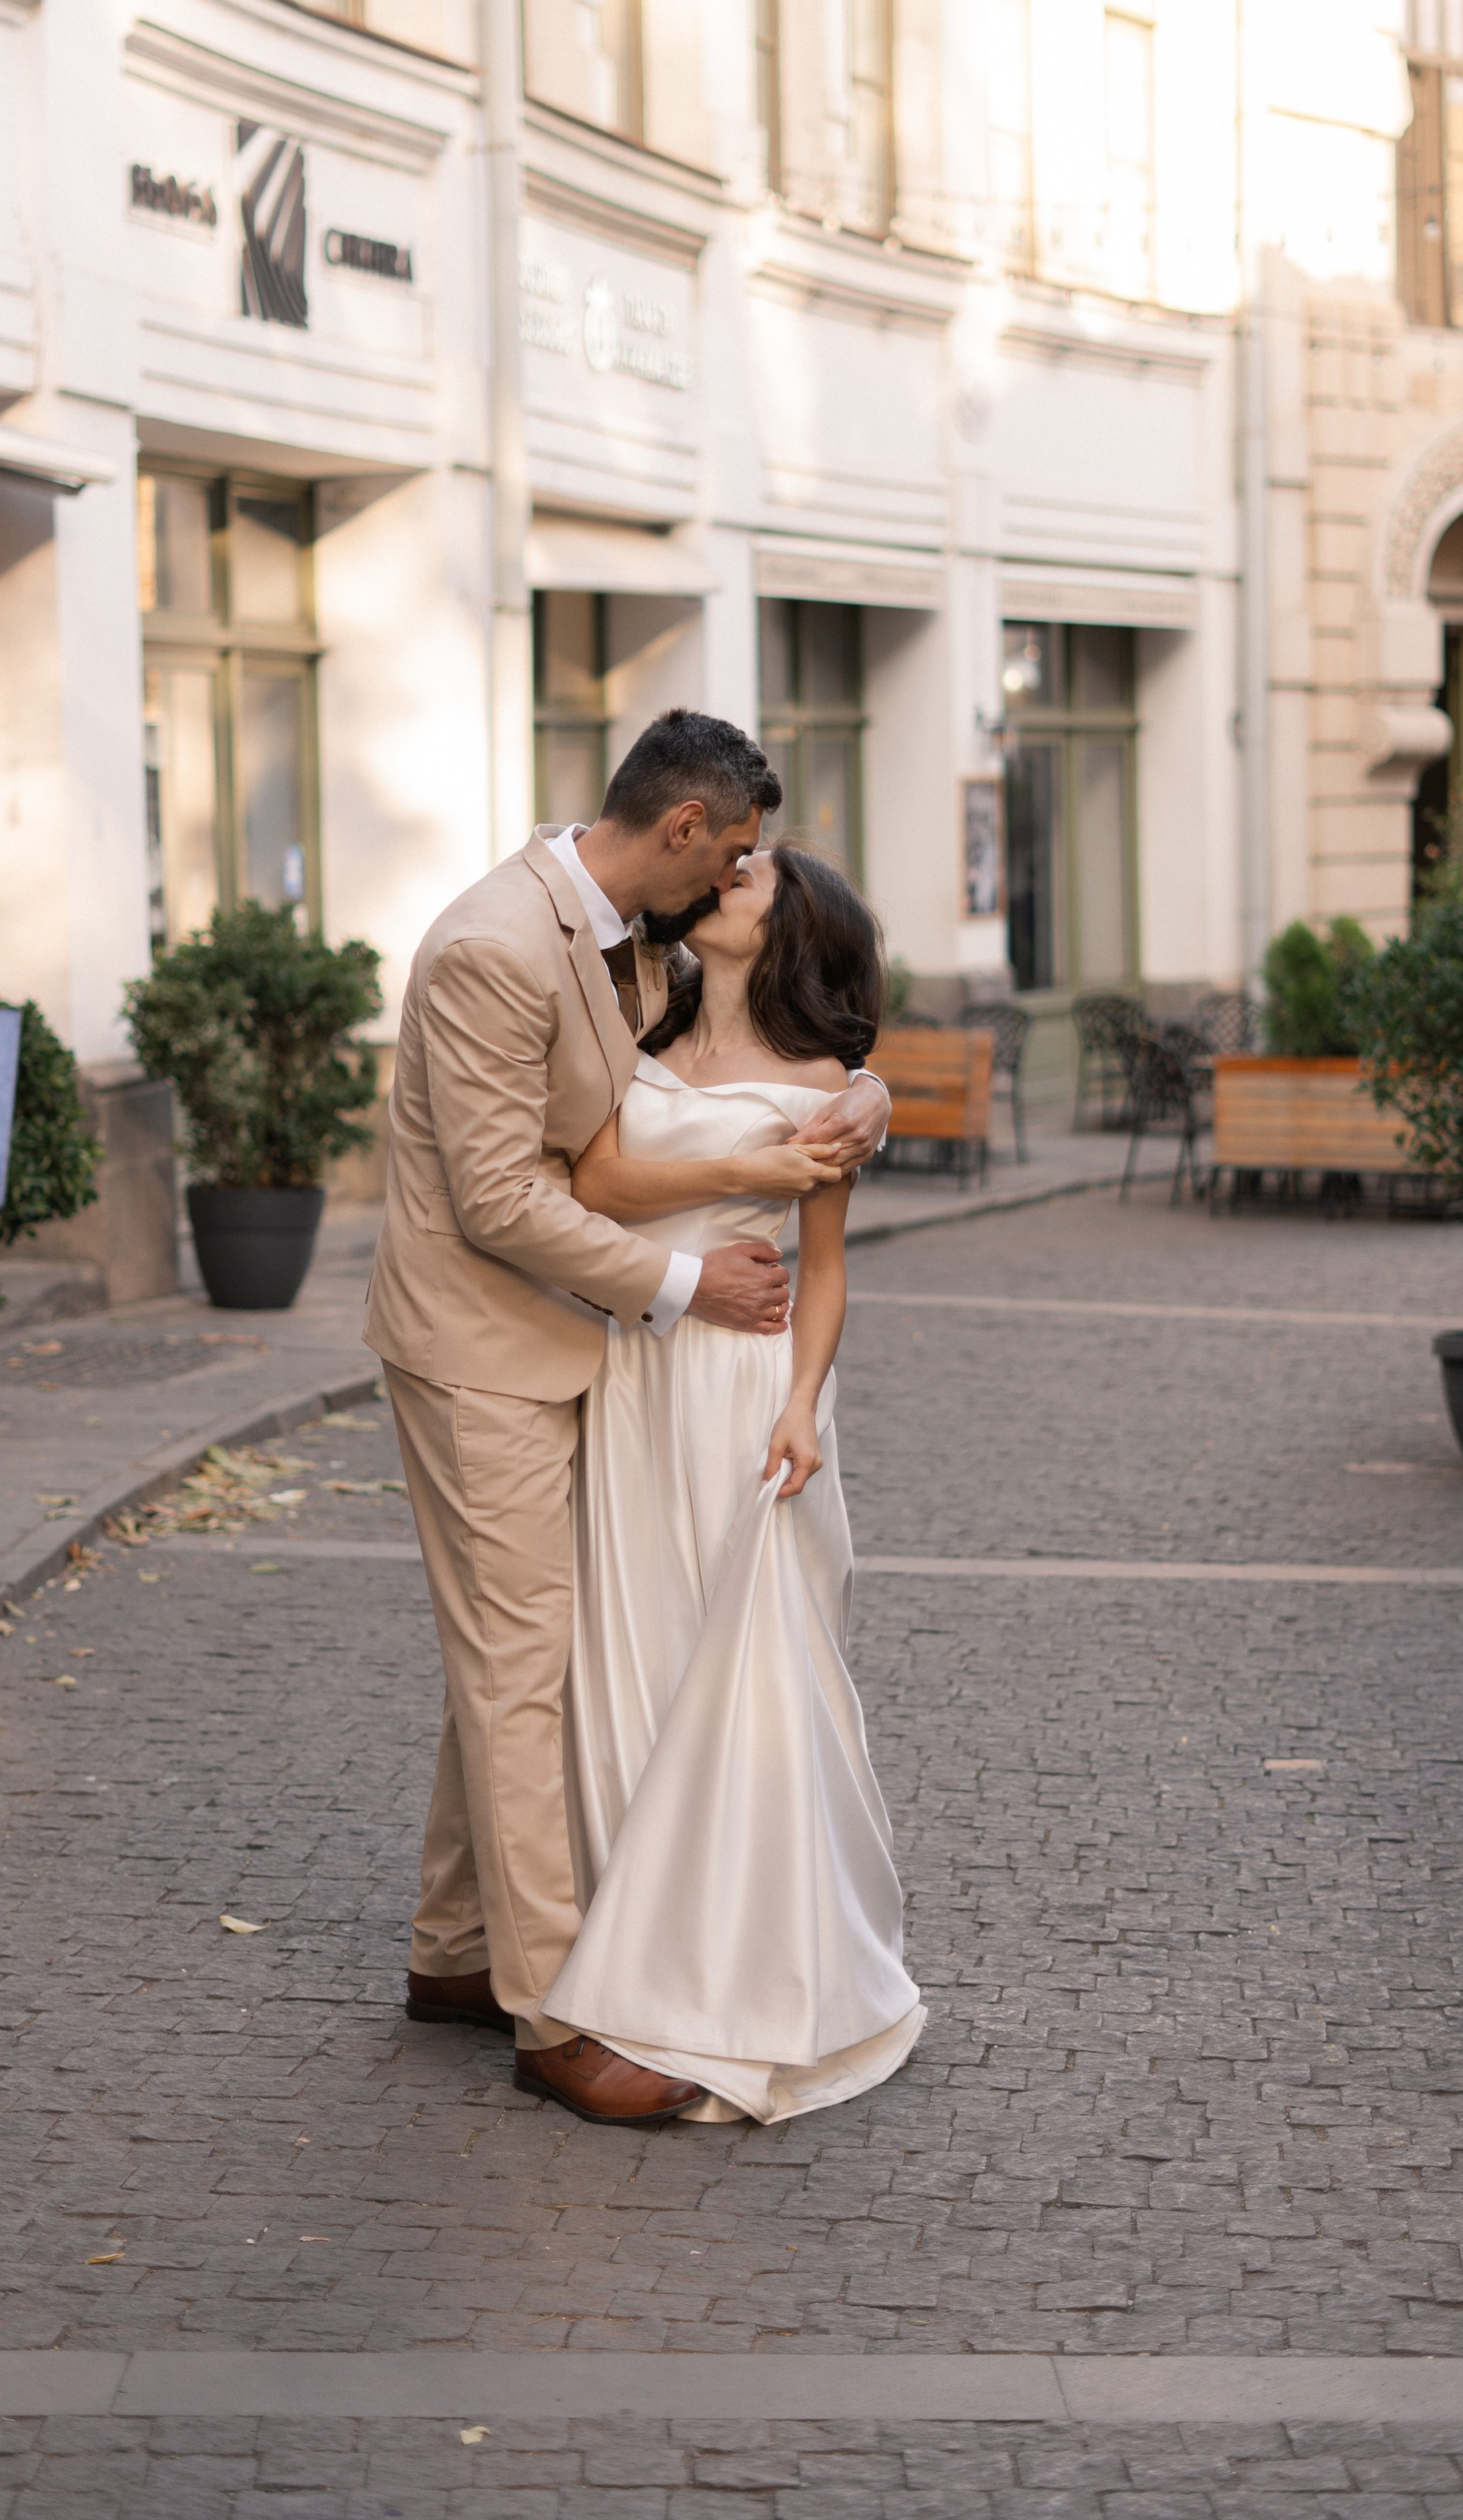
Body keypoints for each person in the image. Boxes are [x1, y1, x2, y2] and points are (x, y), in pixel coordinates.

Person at [365, 711, 890, 2128]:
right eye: (731, 851)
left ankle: (458, 1950)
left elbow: (793, 1048)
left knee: (511, 1638)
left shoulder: (626, 934)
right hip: (490, 1351)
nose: (735, 876)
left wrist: (864, 1090)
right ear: (680, 831)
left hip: (609, 1351)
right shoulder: (495, 943)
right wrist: (684, 1284)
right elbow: (507, 1197)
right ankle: (551, 2016)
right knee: (526, 1662)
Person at [542, 838, 923, 2123]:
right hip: (638, 1376)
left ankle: (726, 1977)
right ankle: (625, 1946)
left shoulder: (826, 1084)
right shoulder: (635, 1026)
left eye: (750, 881)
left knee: (748, 1672)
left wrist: (806, 1407)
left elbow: (823, 1270)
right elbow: (594, 1184)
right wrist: (745, 1168)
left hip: (746, 1395)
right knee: (632, 1656)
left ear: (788, 931)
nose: (725, 882)